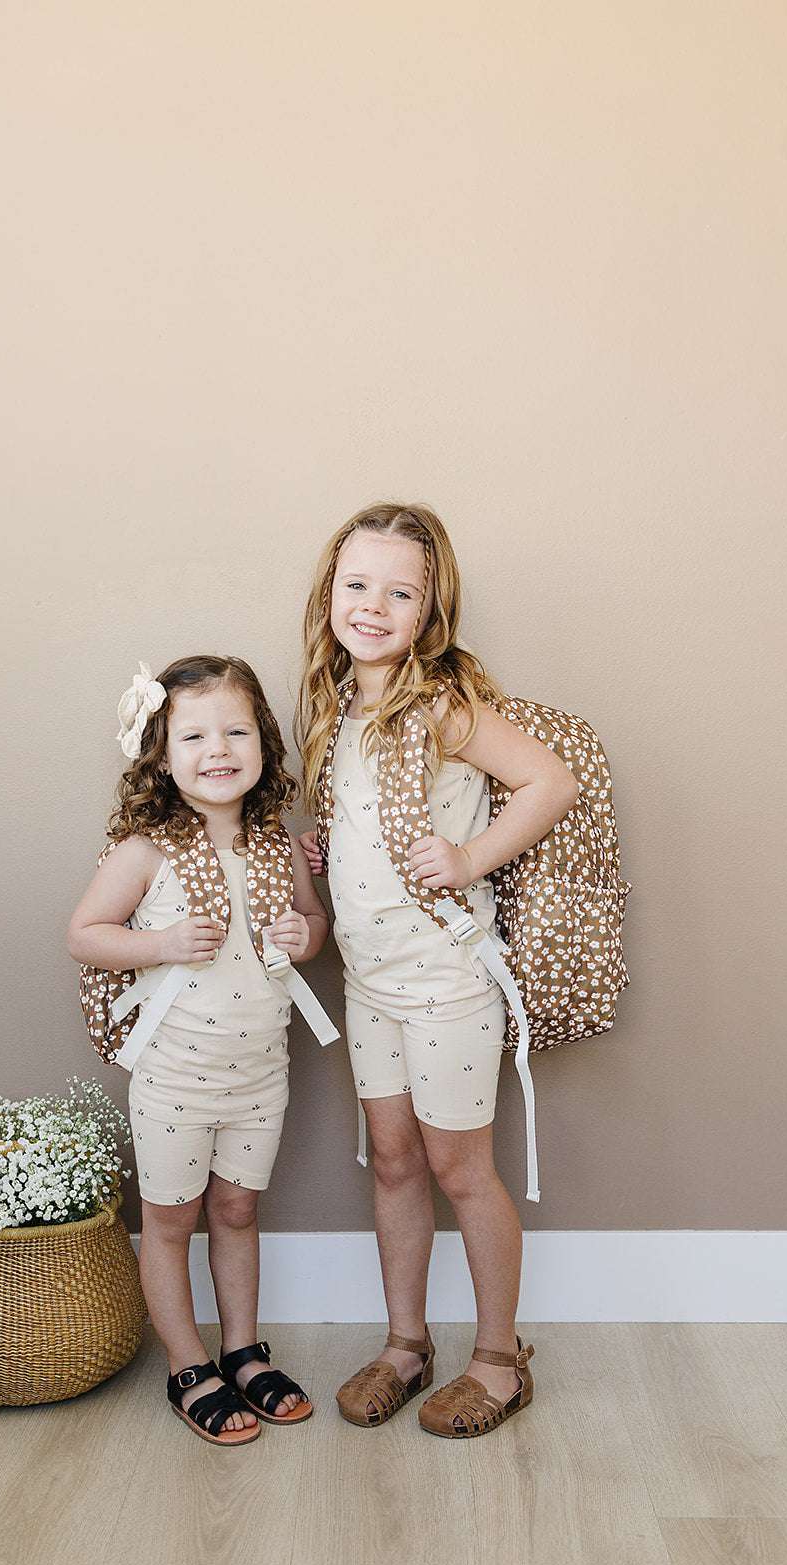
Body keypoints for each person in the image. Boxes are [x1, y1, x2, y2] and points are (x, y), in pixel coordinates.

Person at [294, 503, 580, 1438]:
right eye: (357, 584)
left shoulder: (440, 709)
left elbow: (550, 781)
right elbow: (367, 830)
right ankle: (404, 1344)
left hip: (446, 979)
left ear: (428, 613)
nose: (372, 606)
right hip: (370, 981)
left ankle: (499, 1361)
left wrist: (467, 860)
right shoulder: (336, 708)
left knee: (460, 1166)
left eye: (399, 592)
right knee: (393, 1162)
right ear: (330, 594)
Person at [69, 655, 329, 1445]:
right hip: (176, 1075)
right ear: (161, 753)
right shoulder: (145, 849)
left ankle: (242, 1351)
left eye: (236, 731)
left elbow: (312, 927)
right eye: (194, 736)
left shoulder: (278, 847)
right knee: (173, 1220)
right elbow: (85, 936)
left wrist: (301, 934)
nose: (217, 750)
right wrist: (162, 941)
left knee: (238, 1212)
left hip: (260, 1073)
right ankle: (187, 1364)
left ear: (263, 745)